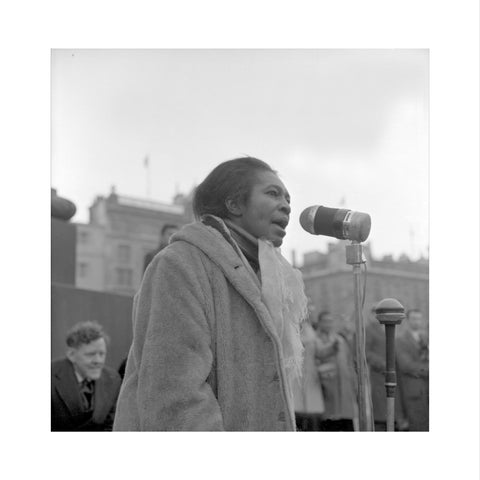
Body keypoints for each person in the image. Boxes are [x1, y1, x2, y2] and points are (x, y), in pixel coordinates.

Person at [113, 156, 308, 431]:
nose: (286, 206)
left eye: (288, 198)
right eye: (272, 193)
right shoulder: (180, 263)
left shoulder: (268, 277)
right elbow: (175, 396)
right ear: (234, 204)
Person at [51, 321, 122, 431]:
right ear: (71, 355)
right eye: (90, 354)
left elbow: (110, 426)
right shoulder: (51, 376)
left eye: (102, 354)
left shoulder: (113, 379)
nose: (98, 361)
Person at [365, 306, 407, 431]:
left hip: (396, 371)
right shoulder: (369, 330)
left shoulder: (395, 327)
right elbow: (366, 352)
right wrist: (382, 364)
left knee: (396, 405)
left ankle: (395, 422)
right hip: (380, 374)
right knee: (381, 407)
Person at [315, 311, 358, 431]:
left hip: (344, 388)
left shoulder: (340, 340)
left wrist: (354, 384)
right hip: (327, 389)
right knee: (330, 423)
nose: (328, 324)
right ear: (319, 323)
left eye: (331, 321)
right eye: (325, 321)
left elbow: (349, 363)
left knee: (346, 423)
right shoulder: (314, 340)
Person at [396, 309, 429, 431]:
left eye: (419, 319)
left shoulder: (426, 337)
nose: (417, 322)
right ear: (408, 320)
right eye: (414, 319)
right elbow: (406, 365)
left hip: (428, 390)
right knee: (418, 427)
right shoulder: (400, 340)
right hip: (414, 390)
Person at [293, 316, 325, 431]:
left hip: (310, 373)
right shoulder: (291, 331)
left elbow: (321, 352)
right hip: (295, 373)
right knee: (296, 404)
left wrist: (332, 348)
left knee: (312, 407)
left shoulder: (311, 334)